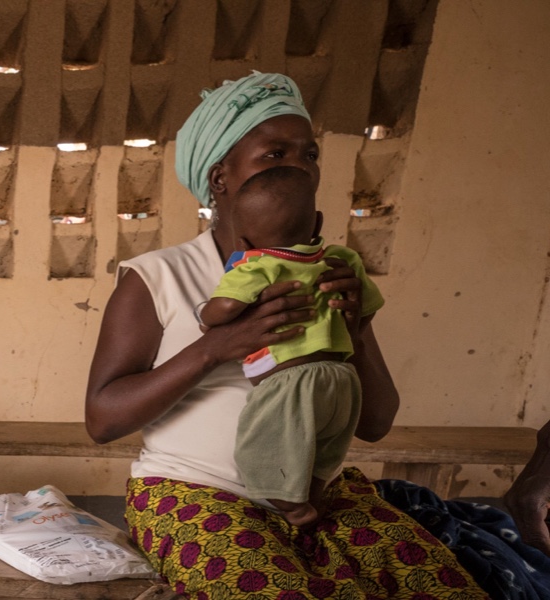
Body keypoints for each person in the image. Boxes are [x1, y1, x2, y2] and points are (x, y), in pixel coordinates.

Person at [85, 71, 484, 598]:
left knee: (443, 586)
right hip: (193, 495)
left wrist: (356, 328)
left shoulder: (327, 274)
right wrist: (214, 348)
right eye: (275, 154)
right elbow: (102, 419)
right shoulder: (160, 277)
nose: (300, 166)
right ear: (220, 177)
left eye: (309, 154)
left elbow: (376, 423)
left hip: (320, 496)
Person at [198, 166, 382, 526]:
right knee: (322, 450)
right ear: (316, 224)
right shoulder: (343, 260)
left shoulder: (258, 266)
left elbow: (227, 307)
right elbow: (367, 310)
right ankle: (313, 499)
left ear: (244, 243)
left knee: (260, 450)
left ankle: (293, 507)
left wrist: (207, 314)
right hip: (343, 379)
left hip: (290, 381)